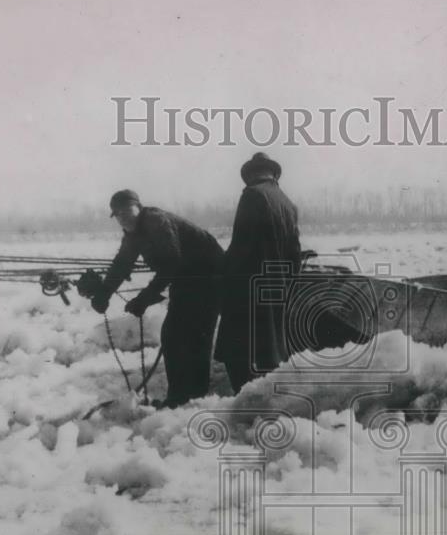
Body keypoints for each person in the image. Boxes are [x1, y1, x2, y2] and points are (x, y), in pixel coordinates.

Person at [90, 189, 224, 408]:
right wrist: (104, 293)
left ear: (138, 207)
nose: (123, 217)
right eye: (118, 215)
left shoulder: (155, 221)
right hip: (187, 281)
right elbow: (122, 263)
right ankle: (180, 397)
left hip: (209, 279)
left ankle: (194, 399)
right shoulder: (133, 233)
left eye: (126, 211)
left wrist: (144, 298)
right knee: (173, 337)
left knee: (193, 338)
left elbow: (172, 263)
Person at [215, 153, 302, 392]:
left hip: (248, 286)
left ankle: (246, 400)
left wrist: (223, 274)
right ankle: (270, 396)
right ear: (273, 174)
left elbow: (241, 244)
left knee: (237, 348)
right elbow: (295, 253)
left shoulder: (252, 195)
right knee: (270, 347)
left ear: (252, 174)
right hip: (276, 286)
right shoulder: (287, 203)